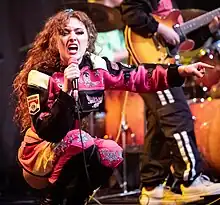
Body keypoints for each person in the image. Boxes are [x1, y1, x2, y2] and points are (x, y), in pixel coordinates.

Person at [13, 9, 211, 205]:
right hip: (39, 153)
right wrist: (65, 92)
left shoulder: (97, 67)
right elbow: (48, 130)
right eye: (65, 32)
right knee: (78, 139)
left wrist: (179, 71)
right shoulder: (40, 75)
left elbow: (137, 76)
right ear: (55, 40)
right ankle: (52, 200)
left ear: (88, 39)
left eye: (79, 32)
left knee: (112, 151)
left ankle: (76, 200)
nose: (72, 37)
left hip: (74, 147)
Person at [121, 0, 220, 204]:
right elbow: (130, 12)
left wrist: (209, 29)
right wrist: (160, 29)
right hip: (153, 68)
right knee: (178, 118)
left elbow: (183, 43)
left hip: (163, 66)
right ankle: (191, 179)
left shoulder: (170, 5)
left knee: (158, 128)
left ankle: (152, 188)